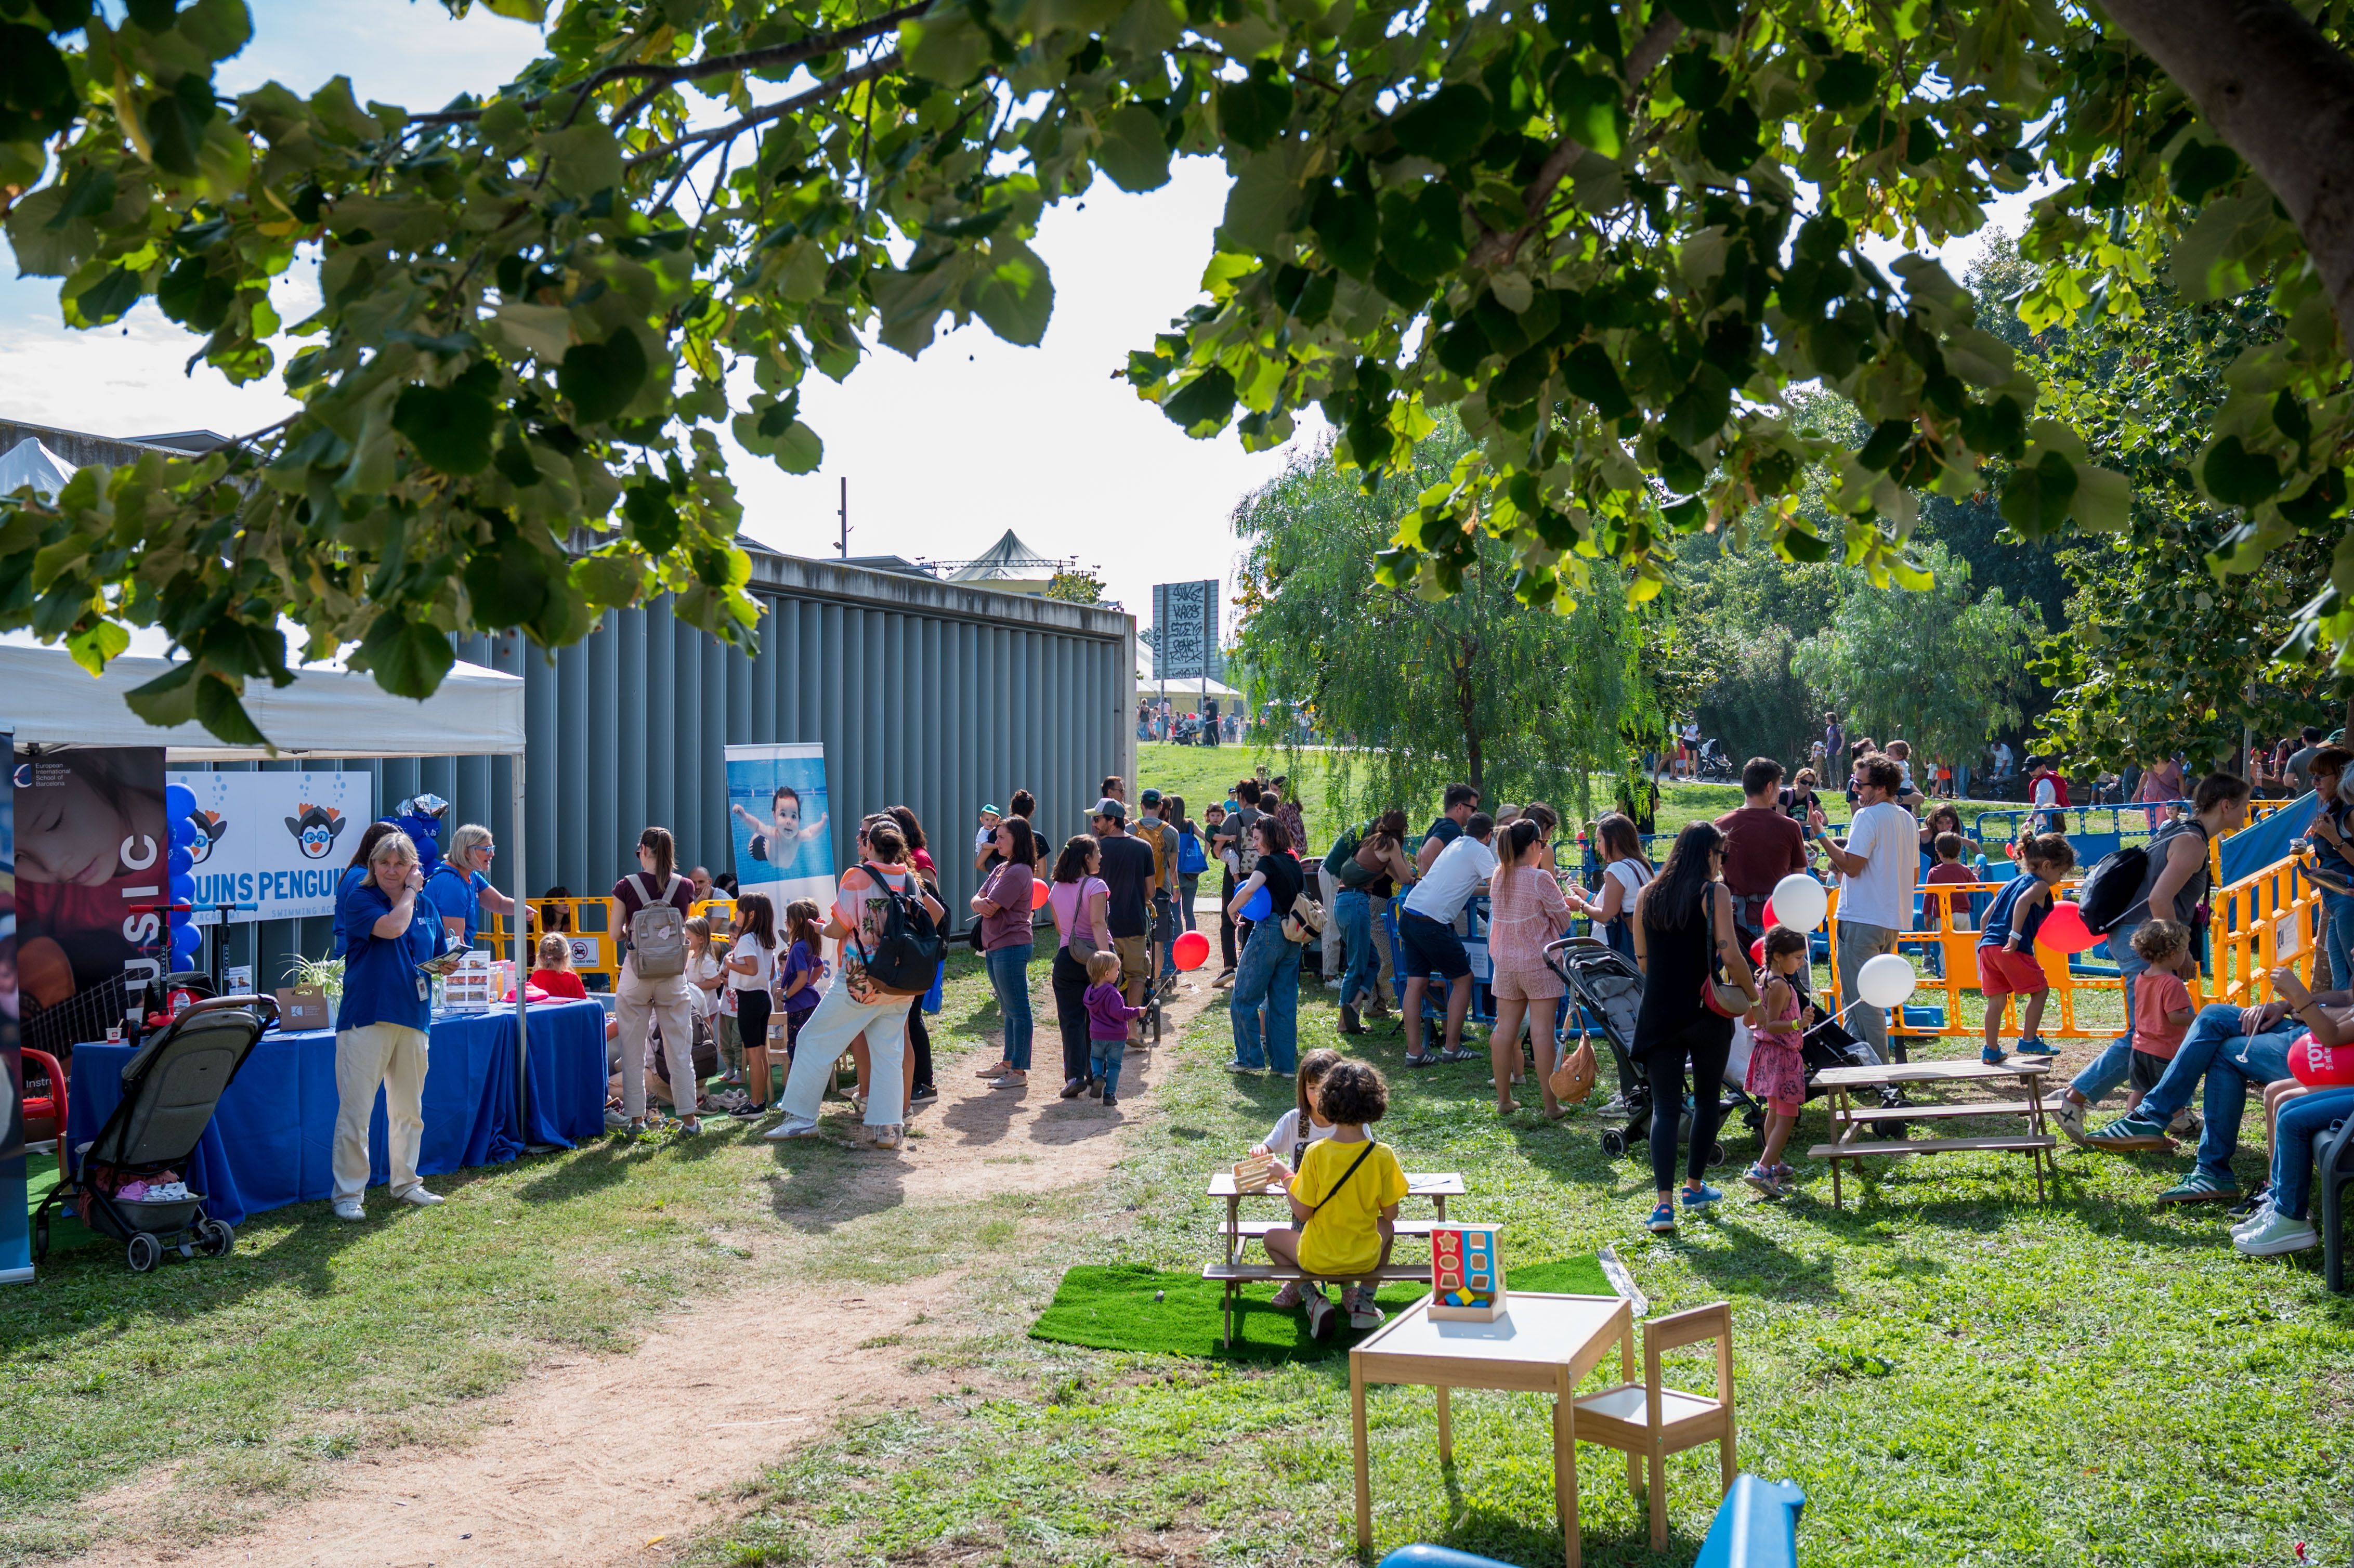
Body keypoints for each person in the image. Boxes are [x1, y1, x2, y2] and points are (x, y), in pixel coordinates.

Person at [2050, 772, 2253, 1141]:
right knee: (2144, 1035)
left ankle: (2167, 1112)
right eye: (2245, 803)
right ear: (2227, 805)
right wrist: (2179, 953)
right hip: (2145, 937)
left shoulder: (2178, 830)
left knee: (2149, 1033)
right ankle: (2072, 1098)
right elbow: (2160, 899)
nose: (2247, 811)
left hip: (2133, 933)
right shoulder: (2193, 842)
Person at [2083, 964, 2346, 1206]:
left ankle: (2206, 1166)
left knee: (2224, 1052)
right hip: (2314, 1028)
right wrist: (2286, 1004)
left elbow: (2335, 1031)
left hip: (2331, 1051)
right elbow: (2348, 997)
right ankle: (2153, 1119)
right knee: (2213, 1014)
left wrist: (2305, 1002)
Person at [764, 818, 944, 1147]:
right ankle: (888, 1129)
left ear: (871, 845)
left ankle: (802, 1119)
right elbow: (933, 916)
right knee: (888, 1052)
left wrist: (816, 927)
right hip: (899, 983)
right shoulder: (908, 878)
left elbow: (837, 928)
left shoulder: (856, 876)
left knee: (813, 1040)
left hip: (860, 981)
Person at [1630, 822, 1759, 1234]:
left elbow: (1644, 961)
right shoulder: (1713, 893)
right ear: (1709, 853)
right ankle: (1694, 1186)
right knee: (1707, 1101)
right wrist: (1753, 1000)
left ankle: (1663, 1207)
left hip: (1659, 1012)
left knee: (1666, 1108)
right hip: (1706, 1011)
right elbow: (1732, 955)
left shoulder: (1648, 893)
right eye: (1721, 854)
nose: (1723, 862)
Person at [329, 830, 451, 1221]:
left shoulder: (427, 906)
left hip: (414, 1018)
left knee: (408, 1109)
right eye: (385, 863)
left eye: (401, 864)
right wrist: (411, 892)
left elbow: (433, 957)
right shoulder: (361, 898)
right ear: (373, 865)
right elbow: (393, 928)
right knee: (357, 1111)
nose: (392, 871)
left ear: (413, 865)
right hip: (367, 1016)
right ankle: (348, 1194)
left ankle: (407, 1183)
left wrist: (447, 963)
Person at [1261, 1060, 1408, 1338]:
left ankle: (1312, 1298)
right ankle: (1365, 1301)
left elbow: (1303, 1214)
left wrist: (1285, 1176)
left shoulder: (1315, 1153)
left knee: (1271, 1238)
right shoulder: (1384, 1155)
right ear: (1375, 1103)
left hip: (1317, 1257)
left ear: (1327, 1101)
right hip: (1364, 1259)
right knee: (1388, 1230)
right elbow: (1390, 1215)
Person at [1814, 754, 1918, 1064]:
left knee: (1865, 997)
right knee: (1858, 995)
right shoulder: (1907, 819)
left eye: (1860, 784)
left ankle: (1880, 1071)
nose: (1855, 790)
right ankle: (1856, 1060)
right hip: (1891, 919)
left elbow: (1851, 866)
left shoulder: (1867, 817)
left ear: (1882, 787)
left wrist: (1821, 835)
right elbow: (1912, 875)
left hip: (1862, 918)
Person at [611, 827, 702, 1138]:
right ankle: (690, 1119)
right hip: (673, 976)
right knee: (679, 1049)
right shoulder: (684, 886)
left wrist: (633, 935)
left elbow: (614, 934)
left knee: (633, 1050)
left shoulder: (627, 886)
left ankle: (636, 1120)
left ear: (645, 851)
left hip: (637, 973)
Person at [1486, 817, 1575, 1117]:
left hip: (1506, 963)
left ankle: (1504, 1100)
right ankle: (1551, 1106)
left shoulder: (1499, 874)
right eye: (1544, 844)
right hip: (1539, 963)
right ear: (1536, 845)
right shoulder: (1540, 879)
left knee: (1505, 1030)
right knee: (1541, 1033)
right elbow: (1563, 921)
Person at [1397, 812, 1498, 1067]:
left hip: (1410, 913)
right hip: (1433, 922)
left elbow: (1465, 884)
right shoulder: (1482, 851)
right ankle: (1451, 1047)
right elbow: (1499, 884)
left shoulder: (1456, 844)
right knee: (1464, 980)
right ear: (1489, 835)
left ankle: (1415, 1051)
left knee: (1415, 983)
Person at [1975, 832, 2074, 1064]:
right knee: (2040, 990)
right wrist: (2014, 936)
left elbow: (1985, 918)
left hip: (1989, 947)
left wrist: (1986, 941)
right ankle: (2028, 1040)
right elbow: (2023, 903)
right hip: (2012, 947)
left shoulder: (2011, 883)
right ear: (2047, 866)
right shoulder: (2040, 886)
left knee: (1996, 1001)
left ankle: (1991, 1049)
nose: (2060, 879)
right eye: (2060, 873)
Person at [1226, 815, 1307, 1074]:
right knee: (1283, 1004)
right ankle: (1284, 1066)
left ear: (1270, 838)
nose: (1255, 845)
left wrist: (1232, 908)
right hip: (1292, 937)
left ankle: (1250, 1059)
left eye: (1258, 839)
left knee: (1244, 997)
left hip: (1270, 931)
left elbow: (1251, 888)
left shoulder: (1268, 862)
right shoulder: (1294, 862)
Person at [1330, 810, 1414, 1036]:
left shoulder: (1373, 842)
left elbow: (1396, 875)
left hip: (1345, 902)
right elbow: (1406, 878)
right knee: (1357, 966)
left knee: (1373, 961)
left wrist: (1406, 871)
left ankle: (1354, 1007)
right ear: (1402, 829)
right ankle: (1343, 1023)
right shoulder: (1391, 843)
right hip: (1357, 901)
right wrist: (1414, 875)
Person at [1741, 926, 1810, 1198]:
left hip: (1767, 1055)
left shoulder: (1763, 979)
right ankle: (1763, 1169)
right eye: (1798, 957)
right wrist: (1798, 1022)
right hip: (1783, 1056)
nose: (1802, 963)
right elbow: (1771, 1025)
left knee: (1774, 1111)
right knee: (1788, 1117)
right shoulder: (1780, 985)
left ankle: (1775, 1163)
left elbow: (1750, 1020)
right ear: (1779, 956)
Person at [970, 818, 1037, 1089]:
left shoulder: (1018, 871)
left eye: (1001, 838)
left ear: (1017, 840)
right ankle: (1009, 1062)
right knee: (1009, 1009)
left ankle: (1018, 1071)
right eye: (996, 837)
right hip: (997, 945)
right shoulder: (1001, 868)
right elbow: (978, 899)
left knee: (1018, 1009)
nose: (996, 843)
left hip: (1011, 946)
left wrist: (982, 904)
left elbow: (990, 906)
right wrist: (980, 903)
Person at [1716, 757, 1809, 944]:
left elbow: (1717, 872)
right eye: (1779, 785)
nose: (1780, 791)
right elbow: (1800, 879)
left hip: (1737, 921)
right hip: (1779, 918)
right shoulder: (1790, 827)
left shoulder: (1721, 825)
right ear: (1769, 787)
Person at [1048, 834, 1113, 1100]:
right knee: (1099, 1019)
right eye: (1097, 852)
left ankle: (1074, 1076)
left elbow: (1062, 929)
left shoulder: (1056, 888)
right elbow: (1098, 925)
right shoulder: (1095, 886)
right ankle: (1097, 1073)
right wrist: (1108, 960)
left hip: (1066, 958)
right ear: (1087, 858)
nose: (1101, 857)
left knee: (1071, 1020)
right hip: (1094, 959)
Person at [886, 805, 943, 1105]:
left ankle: (925, 1082)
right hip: (906, 953)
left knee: (913, 1017)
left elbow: (934, 907)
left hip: (917, 952)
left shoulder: (918, 860)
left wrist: (917, 941)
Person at [1090, 798, 1157, 1041]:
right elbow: (1151, 891)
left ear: (1111, 821)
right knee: (1137, 974)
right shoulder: (1143, 847)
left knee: (1104, 976)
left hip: (1102, 928)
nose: (1095, 824)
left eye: (1098, 819)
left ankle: (1105, 1028)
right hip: (1133, 923)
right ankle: (1131, 1031)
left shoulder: (1095, 850)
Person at [2124, 920, 2197, 1120]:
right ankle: (2175, 1123)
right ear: (2173, 954)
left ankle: (2130, 1120)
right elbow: (2175, 1017)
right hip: (2163, 1050)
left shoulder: (2142, 976)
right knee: (2166, 1093)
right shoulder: (2172, 983)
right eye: (2184, 951)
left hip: (2139, 1047)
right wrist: (2199, 1018)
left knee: (2139, 1090)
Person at [422, 824, 526, 953]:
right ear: (466, 851)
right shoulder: (452, 884)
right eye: (487, 849)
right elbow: (454, 943)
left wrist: (523, 909)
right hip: (443, 964)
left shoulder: (470, 875)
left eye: (492, 848)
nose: (492, 854)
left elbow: (499, 903)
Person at [762, 897, 826, 1108]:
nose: (786, 925)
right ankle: (805, 1094)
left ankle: (796, 1096)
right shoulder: (808, 945)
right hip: (808, 1004)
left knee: (796, 1050)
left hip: (798, 1006)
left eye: (788, 920)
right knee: (804, 1050)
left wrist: (786, 995)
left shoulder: (798, 948)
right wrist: (807, 986)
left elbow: (801, 977)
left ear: (797, 921)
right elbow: (818, 969)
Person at [2299, 748, 2354, 987]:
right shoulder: (2333, 811)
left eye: (2321, 776)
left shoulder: (2350, 814)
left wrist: (2334, 839)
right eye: (2313, 776)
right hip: (2335, 901)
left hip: (2348, 901)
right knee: (2342, 983)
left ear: (2341, 776)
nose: (2315, 782)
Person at [1571, 812, 1653, 961]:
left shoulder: (1617, 869)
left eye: (1600, 841)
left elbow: (1606, 916)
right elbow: (1620, 904)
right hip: (1640, 945)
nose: (1597, 847)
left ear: (1613, 841)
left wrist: (1581, 905)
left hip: (1614, 949)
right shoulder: (1640, 865)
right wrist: (1589, 897)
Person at [1082, 949, 1143, 1107]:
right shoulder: (1112, 993)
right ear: (1107, 973)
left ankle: (1097, 1077)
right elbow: (1120, 1013)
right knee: (1114, 1065)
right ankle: (1109, 1095)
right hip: (1116, 1037)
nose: (1118, 973)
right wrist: (1137, 1011)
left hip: (1097, 1035)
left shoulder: (1090, 992)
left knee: (1096, 1058)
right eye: (1117, 970)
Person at [1137, 789, 1182, 981]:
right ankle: (1153, 987)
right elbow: (1172, 868)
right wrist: (1176, 888)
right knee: (1159, 943)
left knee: (1137, 941)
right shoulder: (1171, 832)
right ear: (1161, 807)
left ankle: (1137, 983)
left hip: (1137, 894)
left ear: (1142, 806)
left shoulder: (1130, 829)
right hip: (1161, 892)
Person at [683, 914, 732, 1089]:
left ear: (701, 939)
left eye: (688, 938)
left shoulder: (707, 961)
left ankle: (700, 1073)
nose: (686, 941)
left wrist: (693, 986)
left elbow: (716, 982)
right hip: (694, 1008)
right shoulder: (691, 956)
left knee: (699, 1041)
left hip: (706, 1009)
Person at [733, 785, 829, 870]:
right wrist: (744, 817)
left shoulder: (798, 836)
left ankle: (770, 827)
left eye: (793, 816)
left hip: (773, 849)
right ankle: (761, 833)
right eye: (783, 814)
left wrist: (822, 824)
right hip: (760, 848)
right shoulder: (773, 835)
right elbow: (757, 826)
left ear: (799, 819)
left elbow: (811, 832)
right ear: (774, 816)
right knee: (762, 831)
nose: (789, 821)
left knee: (765, 829)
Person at [1416, 783, 1479, 879]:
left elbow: (1419, 857)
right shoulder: (1452, 829)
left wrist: (1427, 882)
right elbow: (1426, 854)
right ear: (1460, 807)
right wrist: (1435, 884)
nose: (1476, 813)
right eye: (1473, 809)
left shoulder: (1438, 825)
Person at [1921, 831, 1975, 938]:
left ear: (1939, 852)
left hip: (1943, 915)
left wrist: (1927, 914)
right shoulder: (1965, 870)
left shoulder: (1934, 872)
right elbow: (1976, 885)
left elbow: (1928, 895)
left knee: (1946, 945)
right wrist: (1976, 874)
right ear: (1959, 851)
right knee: (1965, 944)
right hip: (1963, 914)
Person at [1168, 794, 1206, 937]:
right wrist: (1203, 856)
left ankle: (1178, 943)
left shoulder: (1169, 827)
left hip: (1175, 876)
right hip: (1191, 875)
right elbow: (1207, 838)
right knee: (1189, 913)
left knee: (1176, 913)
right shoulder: (1190, 824)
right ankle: (1192, 941)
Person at [529, 931, 590, 1000]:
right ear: (566, 957)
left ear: (541, 957)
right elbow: (583, 1003)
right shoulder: (573, 979)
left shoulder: (537, 977)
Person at [2289, 725, 2327, 792]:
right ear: (2320, 739)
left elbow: (2288, 782)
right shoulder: (2330, 755)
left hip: (2303, 797)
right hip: (2326, 796)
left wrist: (2299, 784)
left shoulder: (2295, 757)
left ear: (2303, 739)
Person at [1824, 712, 1846, 786]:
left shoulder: (1839, 727)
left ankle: (1841, 784)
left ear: (1830, 719)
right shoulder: (1828, 729)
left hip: (1838, 752)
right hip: (1829, 752)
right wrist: (1826, 751)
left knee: (1838, 768)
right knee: (1831, 770)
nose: (1826, 720)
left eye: (1827, 718)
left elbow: (1843, 739)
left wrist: (1840, 749)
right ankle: (1833, 786)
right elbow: (1829, 741)